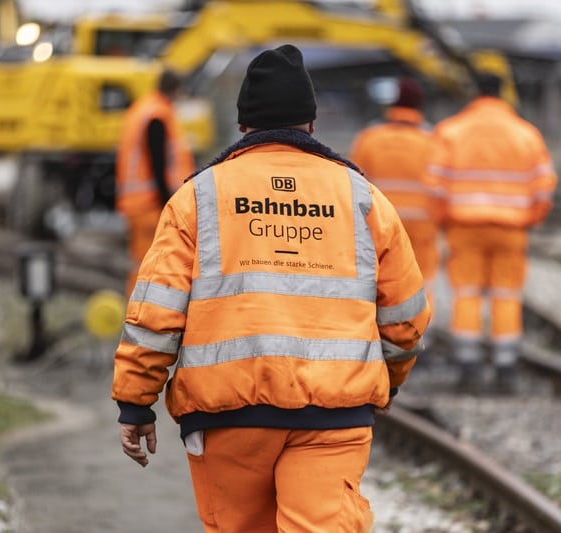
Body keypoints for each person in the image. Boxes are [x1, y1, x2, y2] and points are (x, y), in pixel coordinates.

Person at [111, 44, 431, 532]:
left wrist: (136, 400)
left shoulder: (198, 196)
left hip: (227, 416)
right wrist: (383, 379)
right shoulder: (362, 197)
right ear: (311, 123)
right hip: (335, 416)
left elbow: (157, 312)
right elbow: (405, 317)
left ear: (243, 125)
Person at [426, 72, 557, 393]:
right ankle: (505, 367)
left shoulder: (451, 131)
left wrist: (444, 220)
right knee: (507, 295)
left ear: (476, 93)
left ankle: (469, 366)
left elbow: (435, 184)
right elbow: (544, 184)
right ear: (503, 94)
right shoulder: (526, 133)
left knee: (467, 294)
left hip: (464, 227)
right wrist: (531, 219)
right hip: (511, 229)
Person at [350, 77, 440, 325]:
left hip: (380, 221)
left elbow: (354, 180)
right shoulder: (433, 140)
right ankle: (419, 328)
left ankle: (382, 326)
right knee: (422, 277)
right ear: (420, 105)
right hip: (422, 222)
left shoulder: (369, 137)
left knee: (381, 276)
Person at [115, 68, 195, 297]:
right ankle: (141, 310)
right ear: (175, 90)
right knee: (149, 265)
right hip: (150, 205)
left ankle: (139, 308)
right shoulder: (157, 116)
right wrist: (167, 201)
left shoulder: (143, 109)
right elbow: (157, 163)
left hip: (140, 204)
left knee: (142, 263)